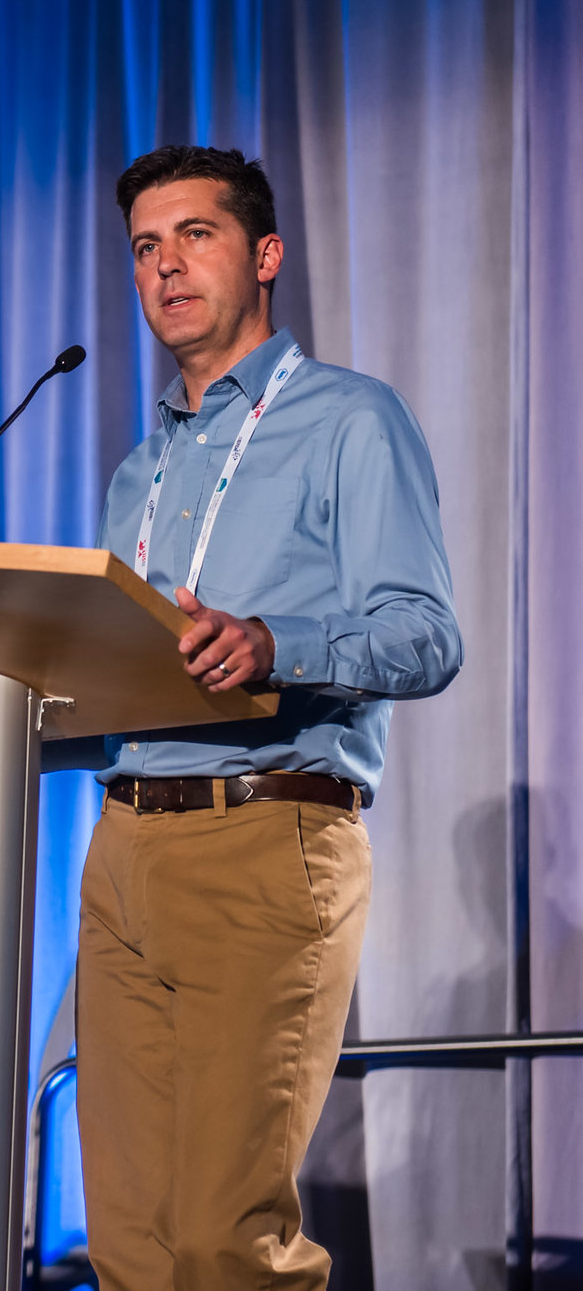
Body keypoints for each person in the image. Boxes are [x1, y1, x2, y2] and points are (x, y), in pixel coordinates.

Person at [71, 146, 461, 1290]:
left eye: (193, 234)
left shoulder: (348, 419)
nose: (164, 266)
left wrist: (276, 644)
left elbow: (425, 633)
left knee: (223, 1246)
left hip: (265, 832)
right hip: (121, 846)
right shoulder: (138, 471)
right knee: (129, 1248)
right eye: (144, 246)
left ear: (265, 254)